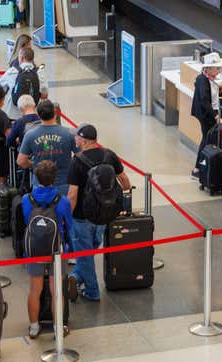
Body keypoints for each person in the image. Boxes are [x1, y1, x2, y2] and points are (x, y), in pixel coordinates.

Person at [67, 124, 131, 301]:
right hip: (105, 213)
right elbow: (124, 180)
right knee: (90, 248)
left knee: (85, 253)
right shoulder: (108, 154)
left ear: (83, 140)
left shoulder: (77, 161)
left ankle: (92, 291)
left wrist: (66, 217)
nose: (75, 140)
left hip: (82, 216)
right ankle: (77, 277)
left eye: (77, 138)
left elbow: (72, 195)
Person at [22, 160, 74, 339]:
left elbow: (26, 220)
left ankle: (34, 327)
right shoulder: (62, 200)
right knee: (56, 291)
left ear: (37, 177)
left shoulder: (26, 199)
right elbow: (68, 225)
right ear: (54, 178)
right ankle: (58, 327)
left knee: (34, 290)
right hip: (56, 250)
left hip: (34, 250)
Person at [18, 100, 75, 195]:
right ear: (55, 114)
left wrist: (35, 165)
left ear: (38, 116)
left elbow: (21, 161)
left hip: (39, 185)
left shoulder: (30, 135)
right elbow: (79, 156)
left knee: (39, 210)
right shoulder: (68, 133)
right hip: (63, 184)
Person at [190, 52, 222, 178]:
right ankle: (197, 169)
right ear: (208, 68)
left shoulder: (208, 79)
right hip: (206, 116)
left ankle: (200, 167)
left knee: (206, 139)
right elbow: (205, 101)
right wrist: (216, 116)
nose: (219, 70)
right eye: (217, 68)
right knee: (206, 140)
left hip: (208, 113)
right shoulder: (203, 81)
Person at [0, 47, 48, 120]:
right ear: (32, 58)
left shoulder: (12, 72)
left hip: (13, 116)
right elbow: (44, 95)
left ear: (21, 58)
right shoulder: (39, 72)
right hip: (33, 116)